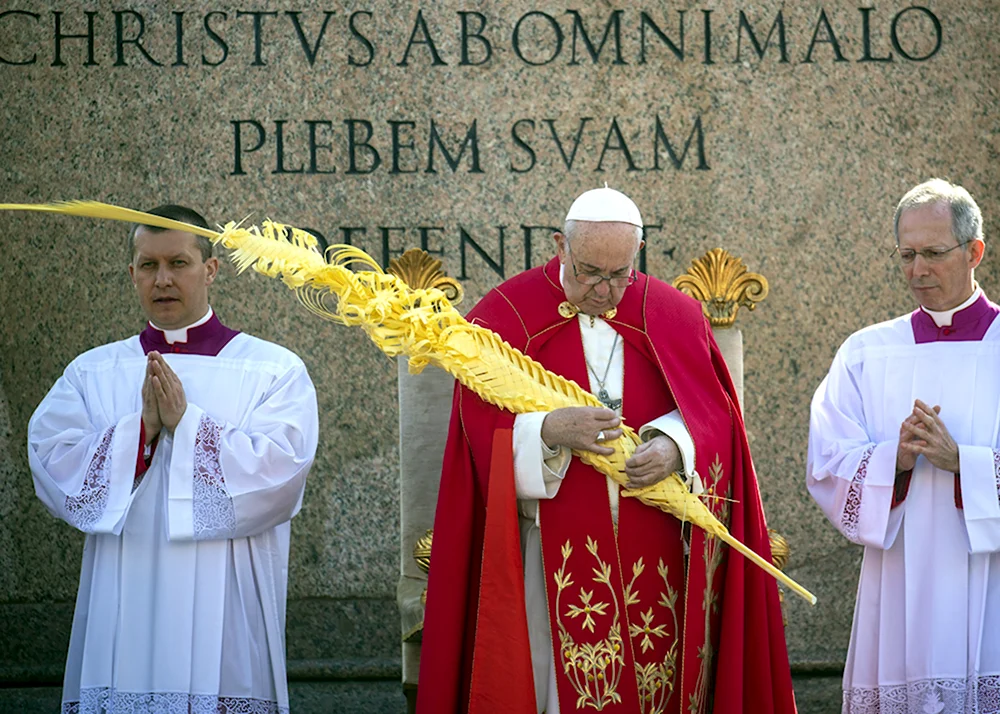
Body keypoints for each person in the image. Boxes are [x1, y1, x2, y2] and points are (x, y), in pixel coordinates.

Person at [417, 187, 794, 714]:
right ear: (559, 247)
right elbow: (475, 444)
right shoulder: (504, 316)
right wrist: (547, 431)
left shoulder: (672, 313)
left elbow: (715, 420)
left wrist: (674, 446)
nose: (605, 290)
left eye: (620, 274)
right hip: (549, 551)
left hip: (658, 545)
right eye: (590, 271)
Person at [28, 205, 319, 714]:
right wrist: (140, 431)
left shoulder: (272, 370)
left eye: (178, 263)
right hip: (124, 600)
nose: (162, 279)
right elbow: (52, 461)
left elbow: (281, 473)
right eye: (148, 265)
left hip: (225, 607)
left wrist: (190, 426)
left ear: (210, 269)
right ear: (132, 273)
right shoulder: (93, 372)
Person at [807, 179, 1000, 713]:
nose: (918, 270)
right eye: (907, 255)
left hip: (991, 587)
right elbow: (826, 460)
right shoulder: (868, 352)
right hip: (897, 582)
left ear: (974, 252)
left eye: (935, 254)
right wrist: (894, 458)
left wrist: (963, 463)